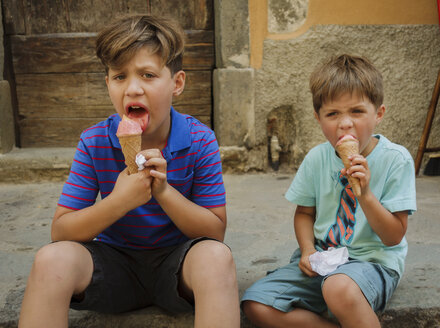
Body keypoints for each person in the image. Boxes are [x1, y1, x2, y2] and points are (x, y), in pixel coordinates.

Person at [19, 14, 239, 328]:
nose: (132, 88)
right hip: (112, 266)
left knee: (218, 258)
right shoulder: (93, 141)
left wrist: (163, 192)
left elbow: (215, 232)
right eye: (119, 76)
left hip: (179, 268)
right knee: (49, 259)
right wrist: (120, 200)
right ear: (107, 83)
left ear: (176, 83)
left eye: (148, 75)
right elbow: (62, 232)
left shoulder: (199, 140)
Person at [241, 54, 417, 328]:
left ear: (378, 114)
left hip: (373, 261)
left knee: (338, 288)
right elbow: (304, 214)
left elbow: (394, 236)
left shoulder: (396, 159)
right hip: (324, 259)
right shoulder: (316, 159)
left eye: (357, 112)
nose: (345, 123)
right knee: (256, 303)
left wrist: (366, 195)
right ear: (318, 118)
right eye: (332, 114)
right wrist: (308, 249)